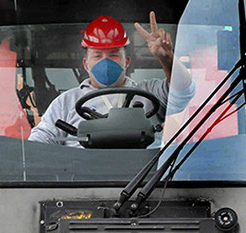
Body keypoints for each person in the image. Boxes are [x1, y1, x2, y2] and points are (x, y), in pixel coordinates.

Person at [27, 14, 194, 147]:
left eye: (113, 55)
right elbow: (38, 144)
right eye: (97, 56)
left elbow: (184, 91)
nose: (105, 62)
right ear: (86, 64)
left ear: (126, 61)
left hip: (144, 182)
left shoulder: (148, 93)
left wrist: (167, 59)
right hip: (79, 184)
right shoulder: (66, 102)